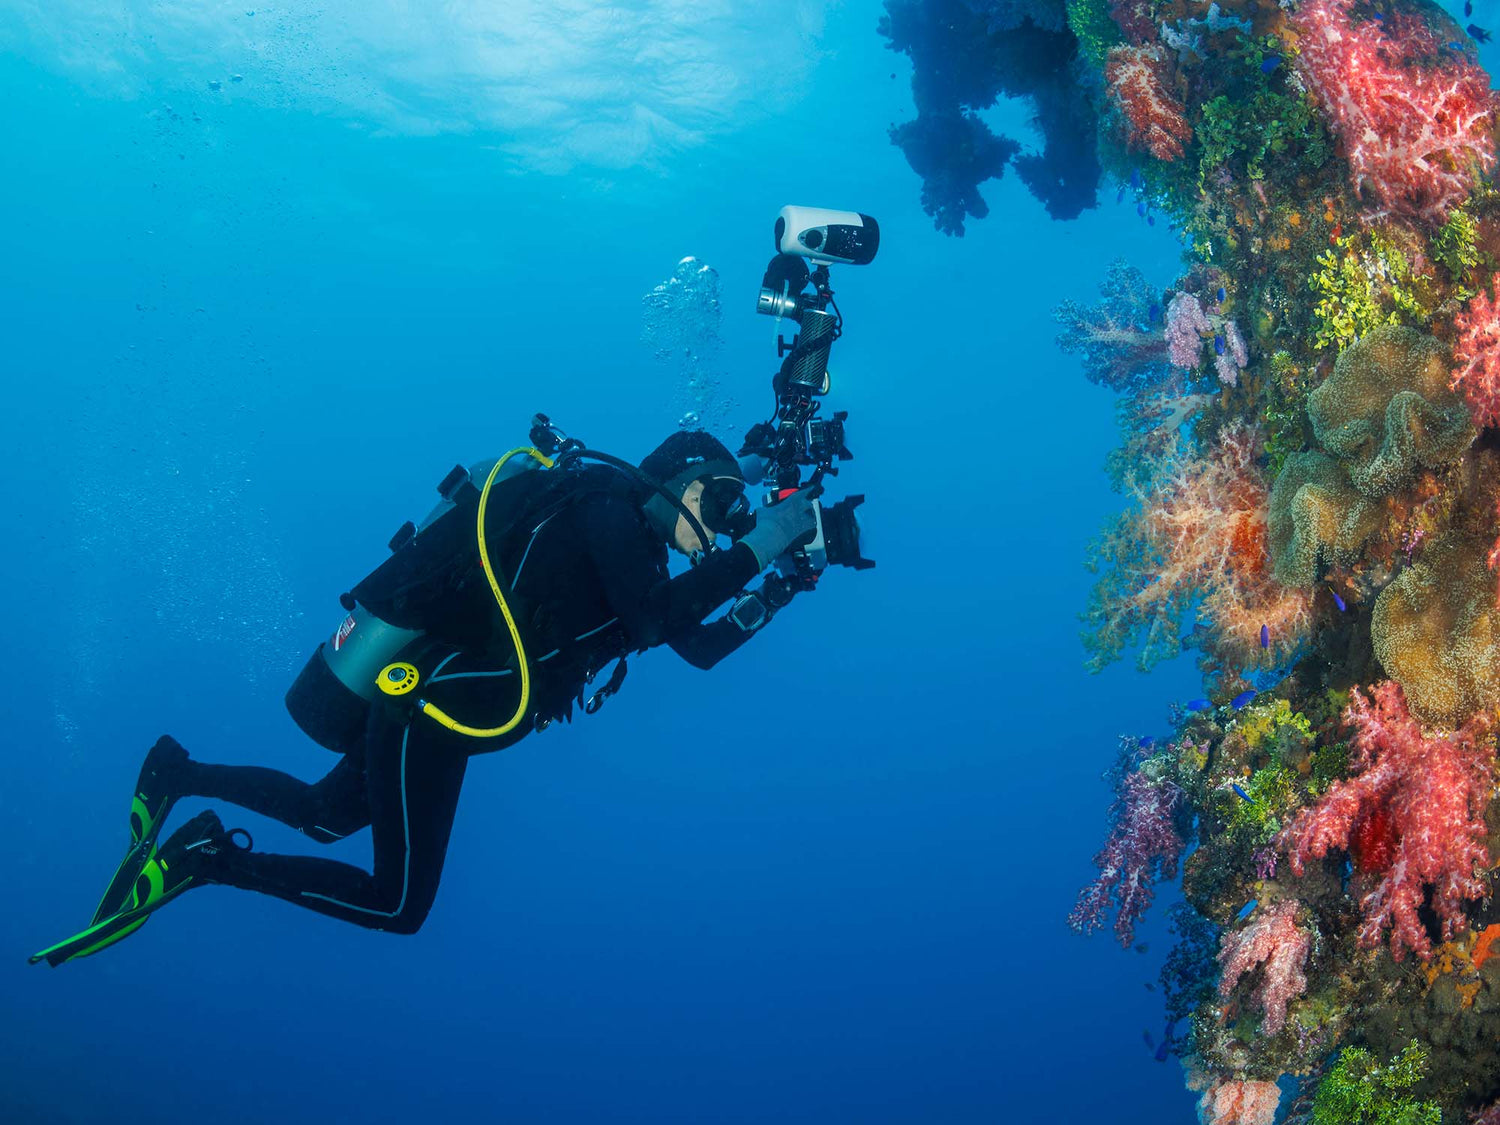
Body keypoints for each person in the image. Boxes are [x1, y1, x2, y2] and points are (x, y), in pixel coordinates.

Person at [32, 430, 818, 966]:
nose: (719, 530)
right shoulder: (607, 508)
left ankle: (180, 772)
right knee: (396, 903)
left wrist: (785, 581)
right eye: (715, 506)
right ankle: (207, 861)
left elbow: (697, 643)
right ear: (679, 482)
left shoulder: (636, 552)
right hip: (435, 712)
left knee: (325, 813)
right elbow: (656, 622)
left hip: (434, 705)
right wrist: (769, 539)